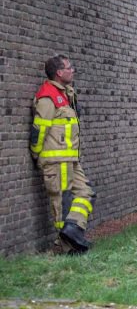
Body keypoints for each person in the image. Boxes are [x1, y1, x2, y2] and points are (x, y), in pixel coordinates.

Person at [30, 55, 95, 254]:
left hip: (71, 159)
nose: (72, 70)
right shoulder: (48, 96)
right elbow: (39, 129)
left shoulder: (67, 94)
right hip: (56, 161)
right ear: (59, 72)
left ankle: (73, 233)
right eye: (69, 67)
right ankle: (67, 248)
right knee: (62, 203)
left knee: (86, 193)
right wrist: (36, 154)